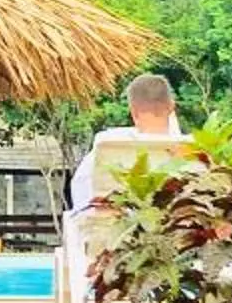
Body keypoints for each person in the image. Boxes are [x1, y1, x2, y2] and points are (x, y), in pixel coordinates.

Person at [69, 74, 183, 211]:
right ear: (171, 107)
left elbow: (82, 202)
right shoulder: (192, 150)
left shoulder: (108, 146)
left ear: (133, 112)